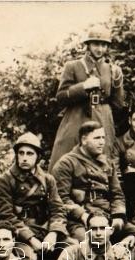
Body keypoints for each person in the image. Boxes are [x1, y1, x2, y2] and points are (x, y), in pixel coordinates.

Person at [49, 29, 125, 168]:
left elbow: (118, 104)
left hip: (103, 118)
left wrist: (118, 81)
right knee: (68, 157)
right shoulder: (73, 66)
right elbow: (61, 97)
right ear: (88, 45)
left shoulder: (112, 69)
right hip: (77, 117)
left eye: (103, 45)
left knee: (103, 159)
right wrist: (83, 87)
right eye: (96, 44)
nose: (100, 49)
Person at [0, 133, 68, 260]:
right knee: (29, 259)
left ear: (38, 157)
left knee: (72, 249)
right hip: (19, 232)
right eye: (21, 153)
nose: (25, 158)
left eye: (30, 154)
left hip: (45, 229)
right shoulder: (4, 180)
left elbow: (58, 209)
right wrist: (30, 238)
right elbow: (6, 216)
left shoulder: (47, 179)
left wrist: (53, 233)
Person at [52, 121, 125, 242]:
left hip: (106, 215)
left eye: (103, 137)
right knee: (88, 244)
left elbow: (117, 194)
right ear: (84, 140)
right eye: (97, 138)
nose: (102, 142)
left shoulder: (107, 162)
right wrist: (84, 216)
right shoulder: (67, 163)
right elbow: (61, 199)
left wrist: (118, 215)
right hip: (79, 219)